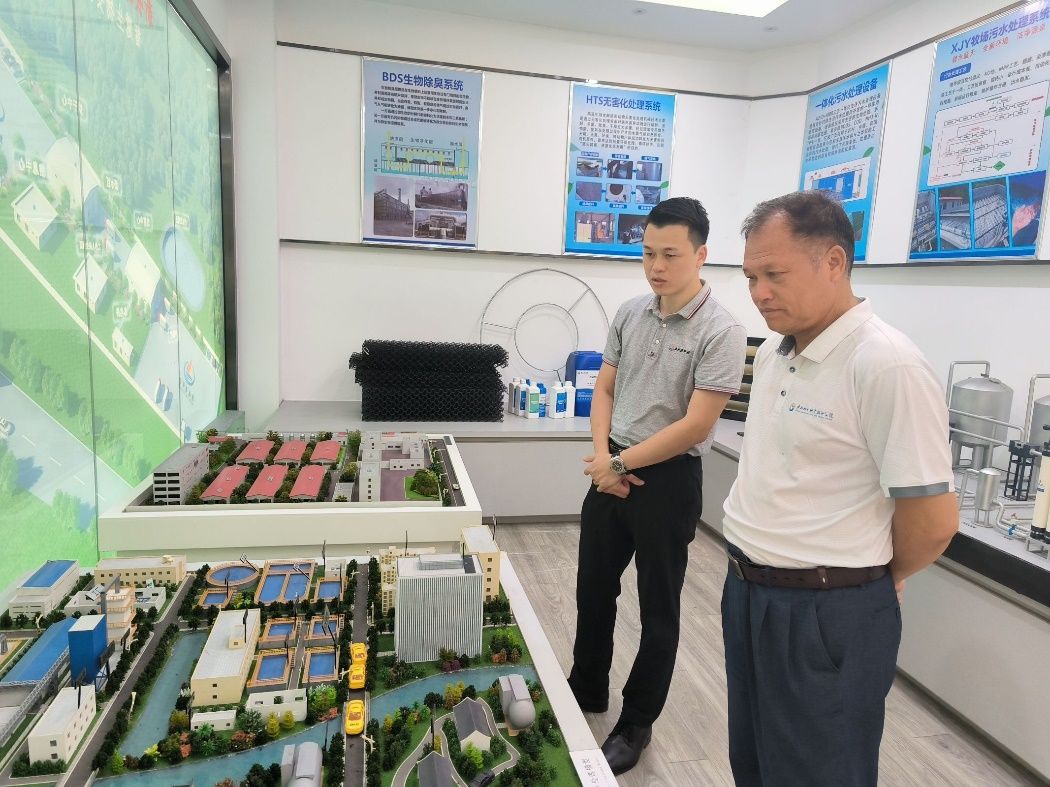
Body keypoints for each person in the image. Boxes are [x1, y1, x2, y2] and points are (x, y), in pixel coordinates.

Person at [722, 190, 959, 786]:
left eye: (774, 275)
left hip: (827, 611)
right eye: (751, 277)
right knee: (755, 763)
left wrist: (873, 576)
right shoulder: (774, 353)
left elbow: (932, 522)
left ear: (833, 262)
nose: (758, 293)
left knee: (820, 771)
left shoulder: (885, 364)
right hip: (749, 594)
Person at [567, 197, 746, 775]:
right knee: (593, 589)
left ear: (701, 255)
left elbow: (696, 426)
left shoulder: (722, 331)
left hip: (668, 481)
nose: (656, 267)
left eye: (670, 254)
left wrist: (618, 465)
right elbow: (604, 390)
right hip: (612, 466)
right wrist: (604, 458)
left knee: (658, 608)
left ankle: (636, 722)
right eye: (648, 254)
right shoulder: (630, 313)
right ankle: (586, 686)